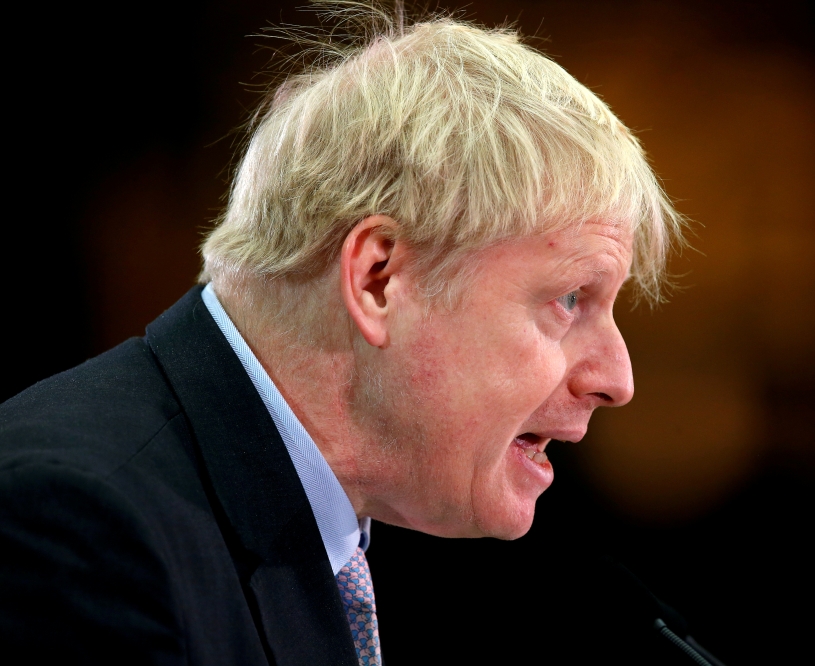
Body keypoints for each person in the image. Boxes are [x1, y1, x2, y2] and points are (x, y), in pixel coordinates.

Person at [0, 6, 684, 664]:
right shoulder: (80, 528)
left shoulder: (319, 534)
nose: (617, 378)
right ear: (378, 279)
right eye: (570, 298)